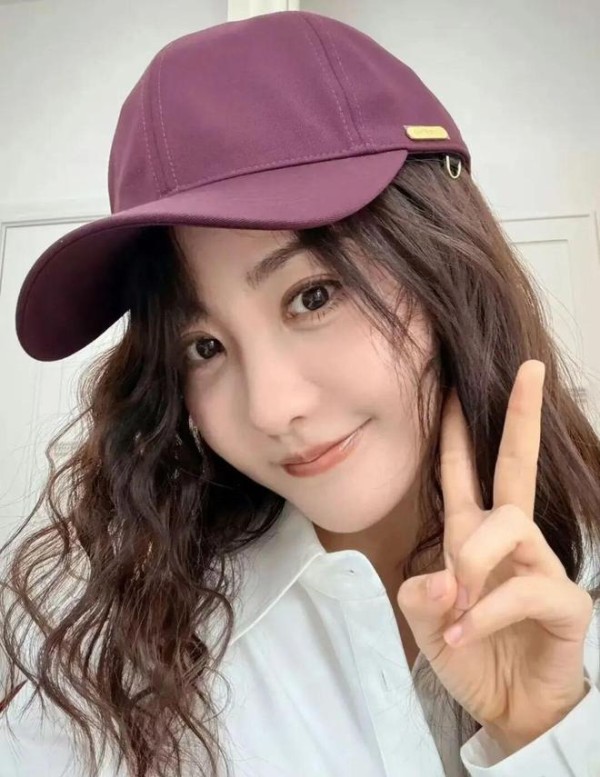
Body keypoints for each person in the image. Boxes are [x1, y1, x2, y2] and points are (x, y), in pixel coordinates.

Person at [1, 9, 600, 777]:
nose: (270, 408)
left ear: (446, 265)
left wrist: (545, 733)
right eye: (204, 347)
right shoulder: (115, 668)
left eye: (313, 295)